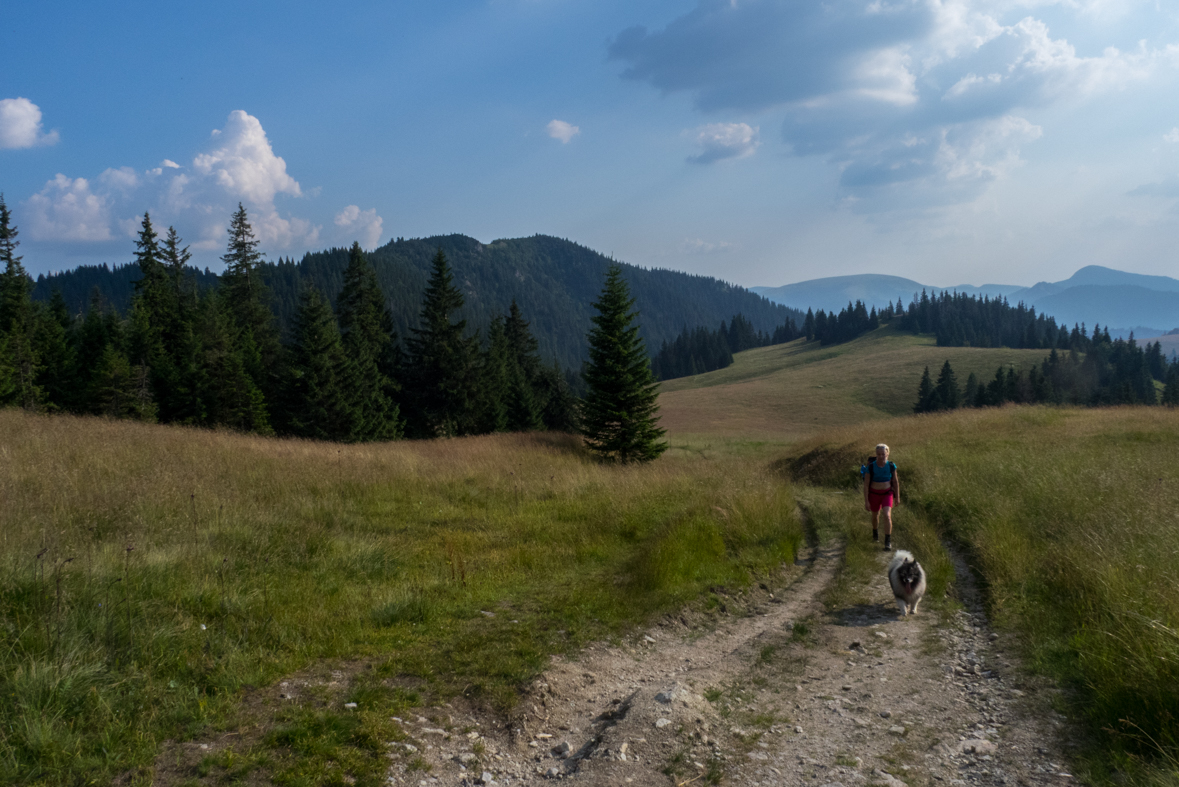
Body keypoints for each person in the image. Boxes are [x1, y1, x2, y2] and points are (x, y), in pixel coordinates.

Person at [862, 443, 900, 551]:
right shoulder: (871, 467)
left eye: (883, 454)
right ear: (876, 454)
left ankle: (887, 542)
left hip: (887, 494)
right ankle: (875, 533)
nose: (881, 456)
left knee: (887, 515)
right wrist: (866, 501)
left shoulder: (892, 466)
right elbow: (866, 484)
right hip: (874, 494)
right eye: (878, 454)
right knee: (875, 516)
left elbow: (895, 482)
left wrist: (897, 497)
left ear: (887, 454)